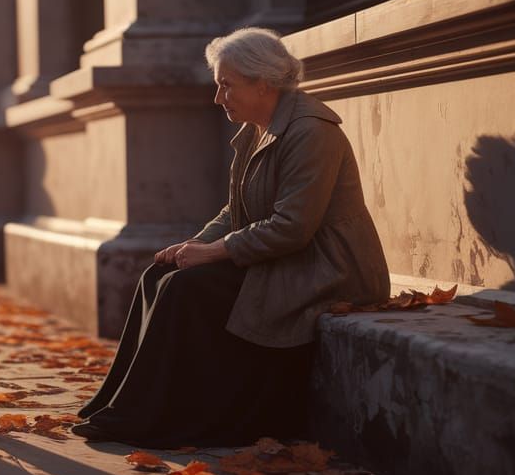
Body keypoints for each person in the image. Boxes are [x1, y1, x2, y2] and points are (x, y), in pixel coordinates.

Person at [71, 28, 391, 447]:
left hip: (328, 268)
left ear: (263, 83)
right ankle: (122, 404)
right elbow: (234, 212)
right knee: (158, 275)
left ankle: (153, 416)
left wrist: (211, 255)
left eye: (226, 85)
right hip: (286, 257)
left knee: (187, 289)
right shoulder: (258, 128)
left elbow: (293, 227)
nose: (217, 97)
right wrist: (194, 246)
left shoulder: (312, 132)